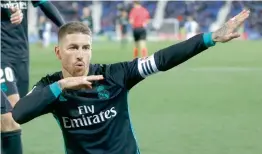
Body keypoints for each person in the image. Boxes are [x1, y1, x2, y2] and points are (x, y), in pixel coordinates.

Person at [12, 10, 250, 154]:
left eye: (86, 47)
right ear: (58, 52)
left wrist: (210, 38)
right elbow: (19, 114)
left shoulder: (114, 75)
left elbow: (162, 59)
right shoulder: (51, 86)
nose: (80, 54)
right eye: (73, 47)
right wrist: (62, 86)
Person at [1, 1, 64, 153]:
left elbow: (44, 4)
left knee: (16, 114)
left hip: (21, 56)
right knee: (9, 118)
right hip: (1, 55)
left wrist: (65, 28)